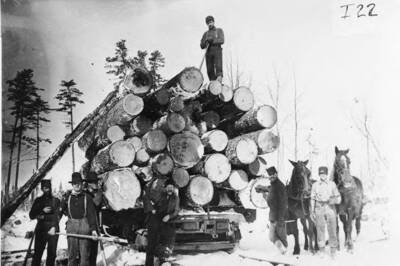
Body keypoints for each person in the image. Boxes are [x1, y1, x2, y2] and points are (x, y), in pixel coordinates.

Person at [60, 172, 98, 266]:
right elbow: (59, 212)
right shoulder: (67, 197)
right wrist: (53, 225)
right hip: (71, 230)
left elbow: (91, 215)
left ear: (82, 184)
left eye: (79, 183)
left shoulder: (87, 197)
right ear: (72, 185)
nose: (77, 185)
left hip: (85, 229)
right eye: (75, 183)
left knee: (85, 257)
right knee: (72, 256)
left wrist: (93, 230)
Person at [144, 179, 180, 266]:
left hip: (166, 221)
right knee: (152, 242)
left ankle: (162, 261)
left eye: (171, 187)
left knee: (166, 242)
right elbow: (146, 197)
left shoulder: (176, 198)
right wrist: (152, 209)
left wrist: (169, 216)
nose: (170, 189)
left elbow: (176, 211)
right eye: (168, 187)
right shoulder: (159, 195)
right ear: (165, 188)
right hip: (155, 219)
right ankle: (149, 263)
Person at [256, 166, 288, 254]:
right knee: (271, 237)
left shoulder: (280, 186)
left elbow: (283, 203)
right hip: (273, 216)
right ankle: (283, 250)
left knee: (282, 236)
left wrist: (281, 217)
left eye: (273, 175)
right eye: (270, 176)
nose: (271, 177)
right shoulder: (273, 186)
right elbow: (272, 201)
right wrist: (265, 195)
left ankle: (285, 253)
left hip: (279, 216)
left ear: (276, 174)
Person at [310, 166, 341, 258]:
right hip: (319, 208)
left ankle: (333, 250)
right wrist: (312, 211)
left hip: (330, 208)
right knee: (320, 229)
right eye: (321, 174)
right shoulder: (315, 185)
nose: (322, 175)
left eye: (324, 174)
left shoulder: (332, 184)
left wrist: (333, 200)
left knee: (332, 229)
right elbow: (312, 198)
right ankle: (322, 250)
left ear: (327, 174)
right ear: (319, 174)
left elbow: (338, 198)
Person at [29, 179, 61, 266]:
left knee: (51, 255)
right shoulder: (38, 201)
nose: (47, 190)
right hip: (41, 230)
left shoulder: (56, 200)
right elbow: (31, 215)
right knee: (37, 255)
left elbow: (58, 216)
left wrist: (43, 217)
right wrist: (41, 210)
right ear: (42, 189)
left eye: (49, 188)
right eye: (45, 188)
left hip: (53, 229)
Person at [83, 172, 103, 266]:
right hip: (84, 225)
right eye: (92, 182)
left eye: (95, 182)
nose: (94, 183)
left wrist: (95, 192)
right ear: (88, 183)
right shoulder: (84, 193)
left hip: (95, 224)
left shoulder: (98, 193)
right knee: (85, 252)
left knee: (93, 252)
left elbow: (97, 203)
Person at [200, 15, 225, 82]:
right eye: (208, 23)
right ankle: (212, 83)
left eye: (211, 22)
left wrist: (213, 40)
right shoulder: (205, 34)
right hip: (208, 52)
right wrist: (206, 41)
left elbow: (222, 40)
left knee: (218, 66)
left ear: (213, 22)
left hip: (217, 50)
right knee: (209, 69)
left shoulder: (219, 30)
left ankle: (219, 80)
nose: (209, 24)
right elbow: (202, 45)